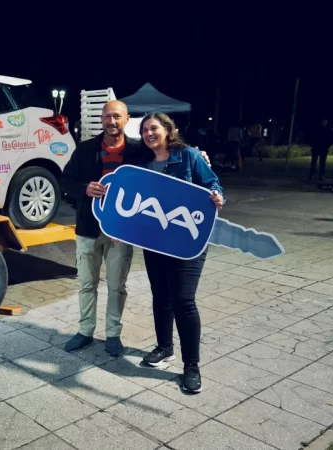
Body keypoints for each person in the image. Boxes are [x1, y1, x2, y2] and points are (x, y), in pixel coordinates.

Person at [61, 101, 211, 356]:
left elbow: (167, 152)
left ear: (126, 119)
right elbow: (66, 181)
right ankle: (85, 331)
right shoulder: (86, 149)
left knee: (117, 285)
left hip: (122, 231)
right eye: (107, 116)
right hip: (88, 228)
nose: (112, 121)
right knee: (87, 283)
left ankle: (112, 334)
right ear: (101, 119)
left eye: (117, 116)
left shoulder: (138, 150)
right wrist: (84, 189)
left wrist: (197, 154)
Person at [136, 112, 225, 394]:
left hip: (188, 241)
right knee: (160, 296)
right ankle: (164, 348)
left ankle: (191, 366)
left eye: (154, 128)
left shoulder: (189, 156)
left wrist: (216, 194)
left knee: (183, 300)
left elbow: (212, 183)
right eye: (144, 130)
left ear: (168, 130)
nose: (149, 133)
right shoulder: (143, 163)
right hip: (155, 241)